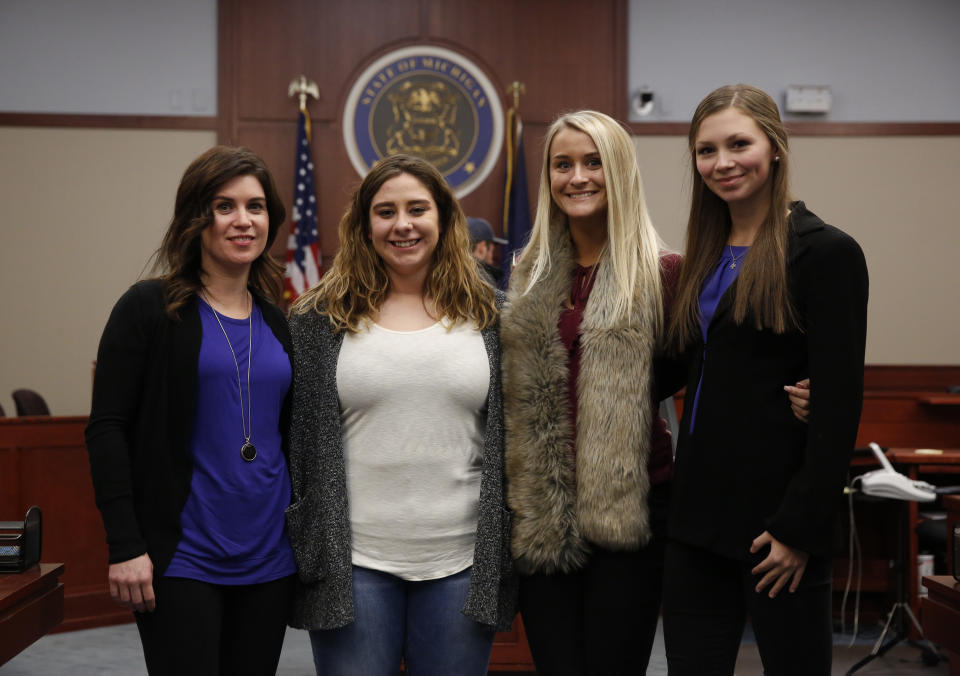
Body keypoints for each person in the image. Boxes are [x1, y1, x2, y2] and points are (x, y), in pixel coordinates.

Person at [661, 84, 868, 675]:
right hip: (696, 519)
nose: (722, 163)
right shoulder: (703, 253)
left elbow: (838, 404)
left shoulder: (826, 253)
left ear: (774, 147)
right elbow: (688, 366)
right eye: (706, 150)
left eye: (738, 144)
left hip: (777, 527)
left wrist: (798, 529)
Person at [285, 154, 517, 676]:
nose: (403, 224)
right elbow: (295, 442)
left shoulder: (494, 315)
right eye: (386, 211)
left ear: (444, 219)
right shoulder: (317, 321)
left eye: (418, 209)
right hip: (352, 564)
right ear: (365, 226)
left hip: (462, 562)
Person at [85, 146, 297, 675]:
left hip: (270, 556)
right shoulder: (149, 308)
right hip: (183, 556)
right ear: (196, 218)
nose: (243, 220)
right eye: (224, 206)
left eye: (256, 206)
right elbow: (107, 429)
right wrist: (125, 544)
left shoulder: (279, 322)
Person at [500, 110, 676, 674]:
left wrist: (798, 391)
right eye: (563, 164)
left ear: (619, 170)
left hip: (629, 512)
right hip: (543, 512)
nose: (577, 177)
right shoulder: (526, 274)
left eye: (593, 161)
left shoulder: (662, 273)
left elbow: (713, 376)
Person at [467, 216, 507, 285]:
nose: (492, 259)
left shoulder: (450, 274)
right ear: (481, 249)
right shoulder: (484, 281)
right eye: (492, 251)